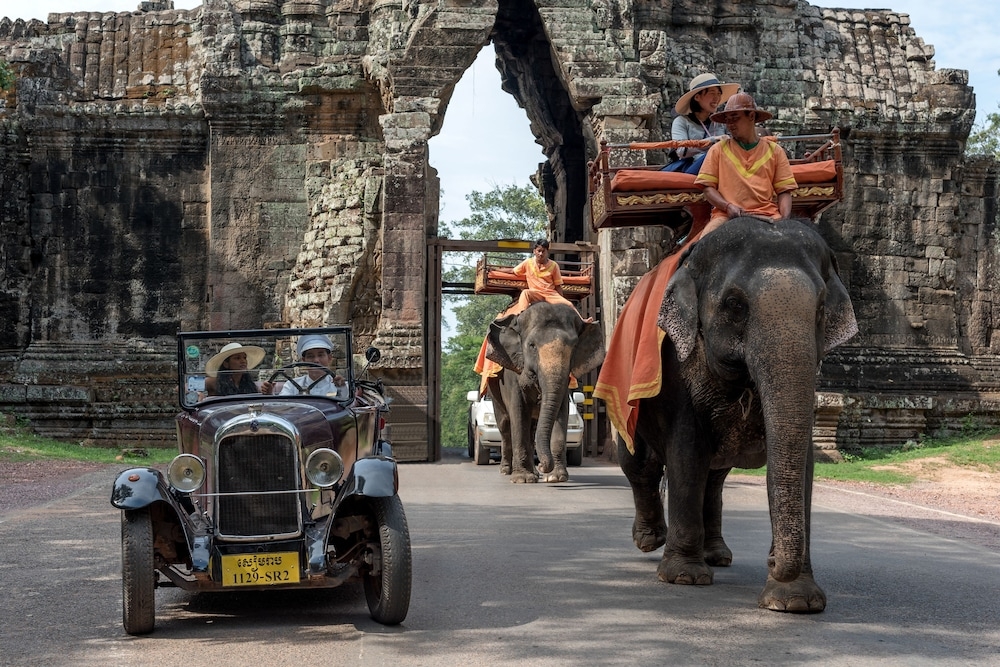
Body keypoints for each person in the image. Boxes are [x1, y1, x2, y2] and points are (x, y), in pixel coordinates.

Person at [694, 91, 798, 237]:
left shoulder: (775, 151)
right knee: (704, 244)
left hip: (768, 215)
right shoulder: (718, 150)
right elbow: (707, 188)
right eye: (727, 120)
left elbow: (784, 191)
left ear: (751, 116)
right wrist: (728, 206)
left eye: (735, 118)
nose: (730, 124)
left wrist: (785, 221)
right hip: (725, 216)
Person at [663, 73, 739, 174]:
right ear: (697, 97)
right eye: (712, 93)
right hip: (693, 168)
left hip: (720, 166)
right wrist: (712, 141)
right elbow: (681, 151)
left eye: (718, 94)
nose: (716, 98)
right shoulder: (681, 122)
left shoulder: (721, 122)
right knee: (713, 155)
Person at [279, 334, 348, 398]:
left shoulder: (341, 386)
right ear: (304, 360)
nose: (316, 360)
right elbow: (282, 404)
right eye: (310, 356)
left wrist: (342, 389)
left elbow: (347, 403)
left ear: (329, 358)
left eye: (320, 355)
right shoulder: (291, 386)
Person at [205, 342, 272, 396]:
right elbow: (199, 388)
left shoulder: (249, 384)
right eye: (237, 358)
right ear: (226, 363)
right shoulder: (213, 382)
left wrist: (267, 391)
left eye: (244, 358)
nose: (243, 361)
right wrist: (200, 394)